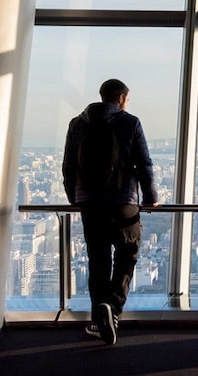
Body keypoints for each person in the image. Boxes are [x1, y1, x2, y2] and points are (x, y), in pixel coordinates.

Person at [62, 78, 159, 345]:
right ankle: (113, 309)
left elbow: (69, 166)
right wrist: (151, 197)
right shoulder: (130, 122)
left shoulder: (77, 123)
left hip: (90, 203)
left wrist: (74, 197)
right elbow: (144, 163)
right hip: (123, 200)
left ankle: (98, 317)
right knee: (127, 253)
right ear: (120, 98)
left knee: (98, 260)